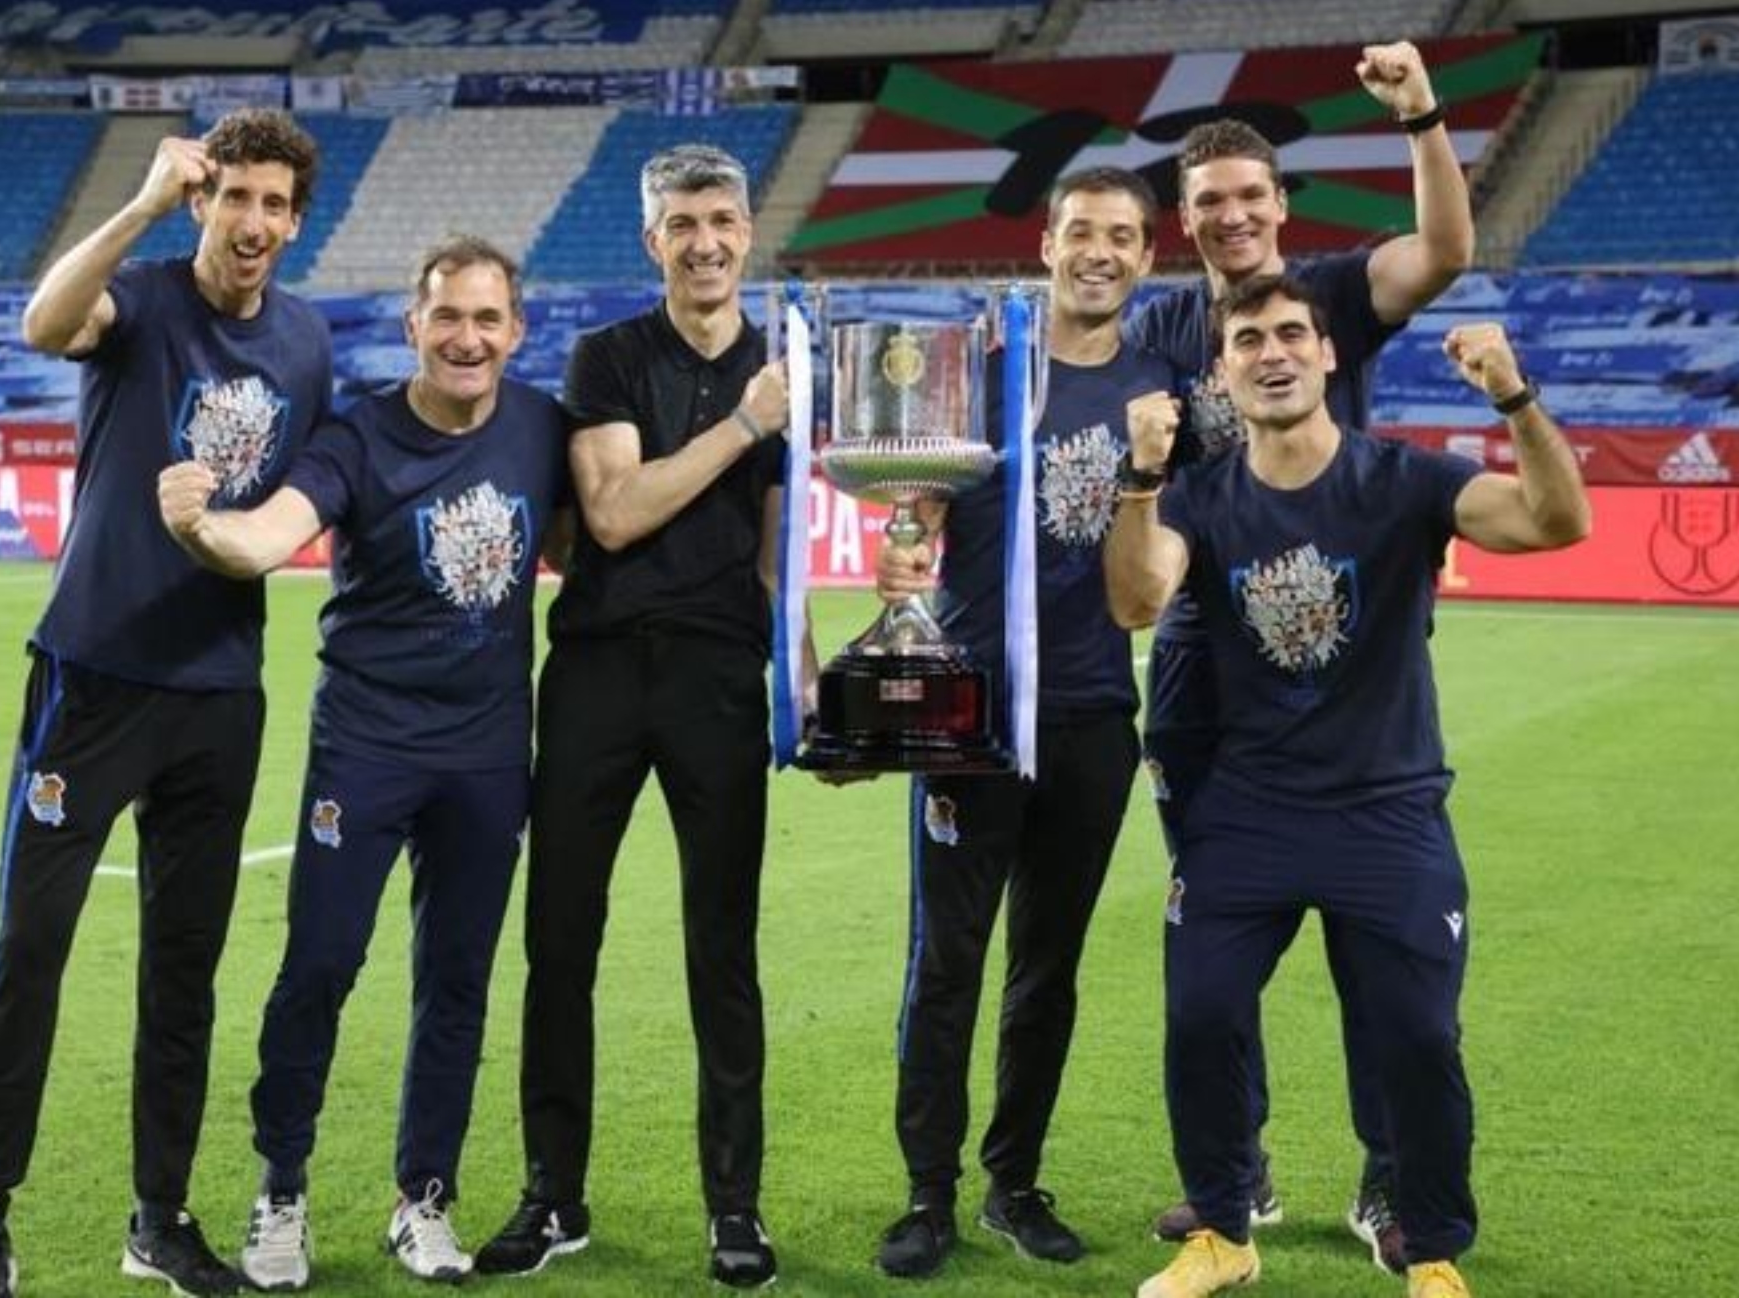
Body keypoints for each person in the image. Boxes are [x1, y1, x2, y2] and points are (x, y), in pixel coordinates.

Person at [1107, 275, 1590, 1298]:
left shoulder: (1404, 482)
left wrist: (1515, 398)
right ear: (1225, 372)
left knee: (1417, 1033)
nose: (1272, 352)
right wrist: (1141, 479)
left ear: (1329, 357)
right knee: (1201, 1014)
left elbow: (1556, 520)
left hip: (1388, 808)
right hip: (1248, 812)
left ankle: (1431, 1246)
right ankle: (1225, 1232)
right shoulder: (1197, 495)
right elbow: (1138, 596)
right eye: (1249, 340)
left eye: (1292, 334)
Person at [0, 108, 331, 1298]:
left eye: (275, 204)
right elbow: (45, 319)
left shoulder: (309, 344)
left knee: (185, 971)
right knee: (32, 950)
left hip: (219, 697)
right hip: (94, 680)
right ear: (204, 202)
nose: (254, 222)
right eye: (236, 199)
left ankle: (159, 1217)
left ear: (296, 220)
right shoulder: (145, 297)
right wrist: (139, 199)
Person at [156, 237, 568, 1292]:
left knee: (457, 981)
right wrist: (204, 526)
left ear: (516, 334)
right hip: (367, 747)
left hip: (485, 757)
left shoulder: (539, 430)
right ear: (413, 326)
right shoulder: (357, 438)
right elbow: (267, 540)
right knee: (323, 965)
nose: (467, 338)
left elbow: (601, 530)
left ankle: (423, 1198)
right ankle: (281, 1189)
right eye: (448, 318)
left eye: (487, 320)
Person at [1128, 41, 1474, 1268]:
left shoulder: (1329, 297)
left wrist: (1422, 114)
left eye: (1248, 197)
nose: (1229, 217)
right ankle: (1241, 1177)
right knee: (1217, 930)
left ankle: (1390, 1179)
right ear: (1186, 219)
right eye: (1208, 201)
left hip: (1340, 639)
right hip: (1197, 667)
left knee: (1373, 947)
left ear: (1282, 206)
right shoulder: (1162, 325)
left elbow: (1442, 253)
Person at [473, 143, 795, 1290]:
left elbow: (776, 564)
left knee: (725, 949)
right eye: (682, 224)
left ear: (747, 229)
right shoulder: (609, 356)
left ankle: (735, 1208)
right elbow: (609, 515)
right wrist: (746, 425)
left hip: (717, 681)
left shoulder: (786, 366)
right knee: (560, 943)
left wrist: (804, 697)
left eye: (721, 218)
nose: (704, 240)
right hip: (601, 672)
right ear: (651, 241)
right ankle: (552, 1196)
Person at [868, 167, 1174, 1279]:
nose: (1100, 251)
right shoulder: (978, 376)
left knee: (1050, 965)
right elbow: (913, 509)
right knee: (946, 962)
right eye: (1081, 231)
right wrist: (899, 541)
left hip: (1094, 712)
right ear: (1046, 244)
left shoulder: (1159, 392)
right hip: (969, 713)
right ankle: (927, 1194)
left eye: (1123, 237)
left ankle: (1012, 1182)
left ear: (1147, 258)